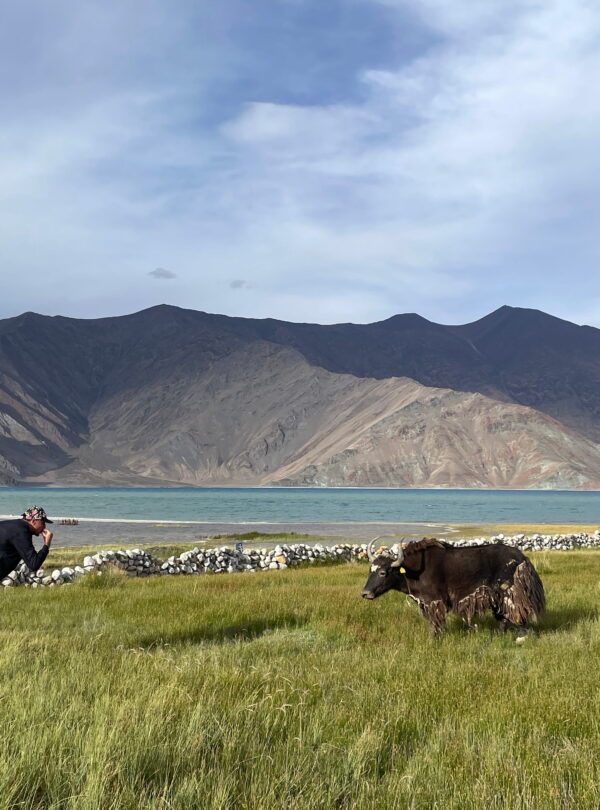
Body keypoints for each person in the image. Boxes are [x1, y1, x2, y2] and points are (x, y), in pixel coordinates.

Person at [0, 506, 54, 581]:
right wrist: (46, 544)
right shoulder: (21, 532)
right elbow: (34, 564)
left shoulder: (12, 525)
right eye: (43, 522)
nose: (44, 526)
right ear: (34, 521)